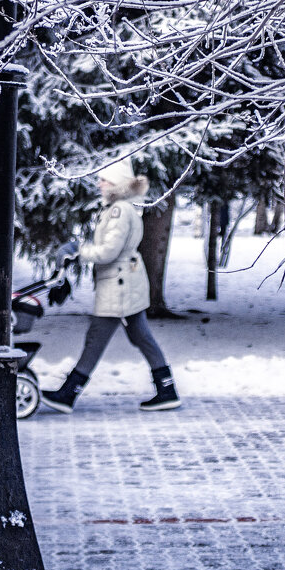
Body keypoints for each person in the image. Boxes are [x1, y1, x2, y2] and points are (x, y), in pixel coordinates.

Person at [41, 157, 181, 414]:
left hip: (118, 286)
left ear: (116, 183)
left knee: (96, 339)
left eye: (104, 179)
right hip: (124, 282)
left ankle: (68, 393)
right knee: (141, 337)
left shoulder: (119, 211)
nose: (99, 184)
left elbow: (108, 251)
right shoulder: (121, 208)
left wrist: (78, 251)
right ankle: (167, 389)